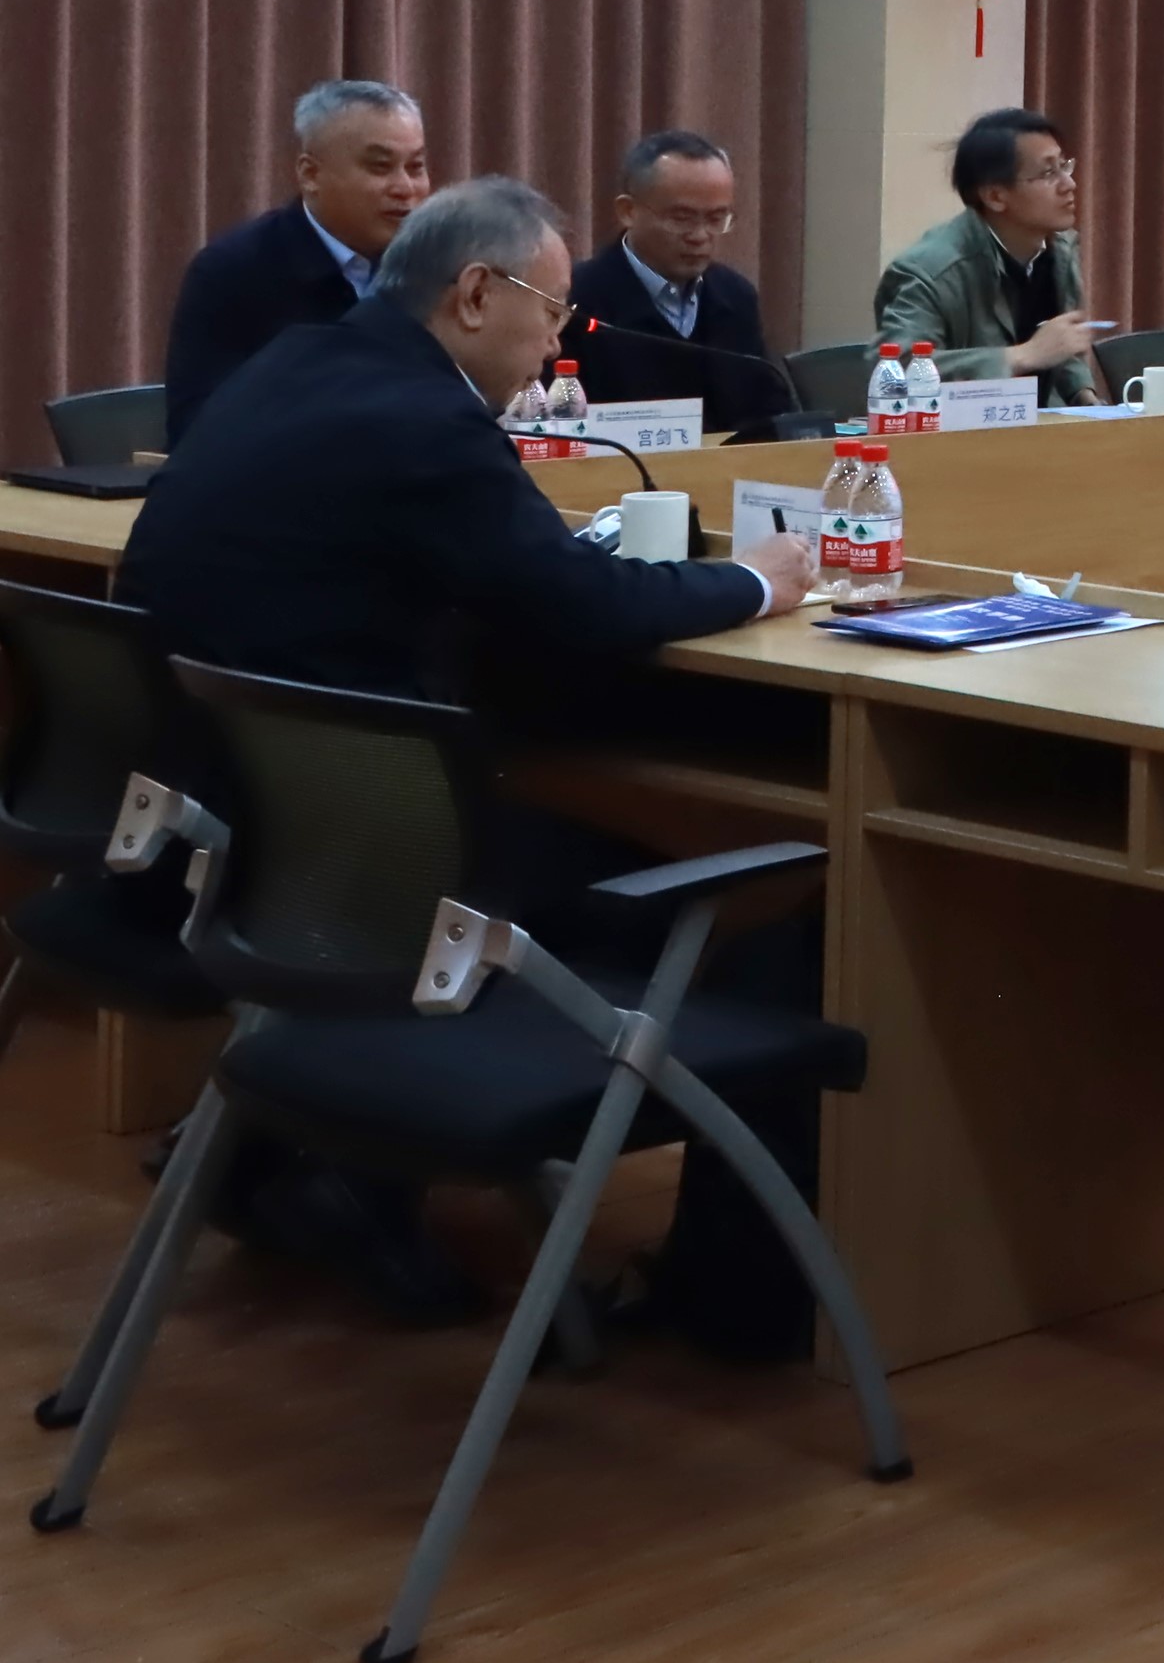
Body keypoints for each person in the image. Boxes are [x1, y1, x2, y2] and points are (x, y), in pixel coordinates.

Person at [122, 179, 826, 1346]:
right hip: (379, 863)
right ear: (472, 295)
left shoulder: (301, 361)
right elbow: (579, 605)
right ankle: (731, 1296)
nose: (556, 342)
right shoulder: (427, 425)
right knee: (759, 891)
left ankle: (298, 1154)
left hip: (246, 828)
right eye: (549, 311)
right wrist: (759, 580)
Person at [162, 79, 432, 445]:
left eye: (415, 167)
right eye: (380, 167)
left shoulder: (435, 268)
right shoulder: (234, 272)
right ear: (310, 174)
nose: (405, 188)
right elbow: (196, 427)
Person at [561, 130, 790, 439]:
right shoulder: (576, 300)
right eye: (682, 218)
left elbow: (770, 415)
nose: (700, 235)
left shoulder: (736, 297)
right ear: (628, 211)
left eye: (716, 219)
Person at [876, 107, 1105, 406]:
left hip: (1034, 425)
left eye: (1065, 166)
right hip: (956, 430)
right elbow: (899, 372)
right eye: (1049, 173)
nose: (1069, 184)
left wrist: (1085, 398)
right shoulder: (930, 270)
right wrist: (1022, 355)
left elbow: (1060, 351)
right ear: (995, 196)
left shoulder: (1059, 250)